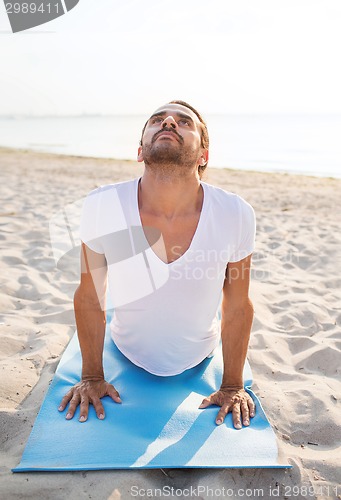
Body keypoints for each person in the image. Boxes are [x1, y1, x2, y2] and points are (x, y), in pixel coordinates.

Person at [58, 100, 256, 429]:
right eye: (156, 120)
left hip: (200, 354)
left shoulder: (235, 213)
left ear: (204, 156)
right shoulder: (103, 205)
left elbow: (237, 303)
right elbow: (91, 294)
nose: (167, 122)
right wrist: (92, 376)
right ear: (140, 151)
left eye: (183, 122)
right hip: (125, 348)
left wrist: (232, 385)